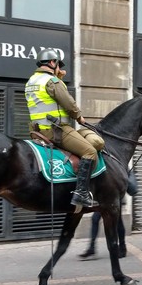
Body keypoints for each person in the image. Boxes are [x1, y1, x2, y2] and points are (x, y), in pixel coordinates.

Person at [25, 48, 104, 209]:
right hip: (55, 130)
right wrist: (78, 116)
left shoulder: (32, 81)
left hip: (37, 131)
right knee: (90, 152)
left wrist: (57, 77)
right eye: (58, 64)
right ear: (52, 63)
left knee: (84, 138)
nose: (59, 68)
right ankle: (81, 193)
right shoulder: (52, 82)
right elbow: (68, 103)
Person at [78, 170, 137, 260]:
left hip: (115, 195)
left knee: (118, 222)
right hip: (103, 196)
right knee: (95, 219)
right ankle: (92, 248)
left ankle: (122, 247)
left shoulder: (118, 163)